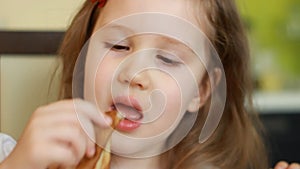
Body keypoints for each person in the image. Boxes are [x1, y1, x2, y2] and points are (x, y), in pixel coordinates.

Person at [0, 0, 299, 169]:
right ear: (84, 55)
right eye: (118, 46)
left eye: (168, 59)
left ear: (202, 90)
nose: (135, 75)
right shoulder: (17, 158)